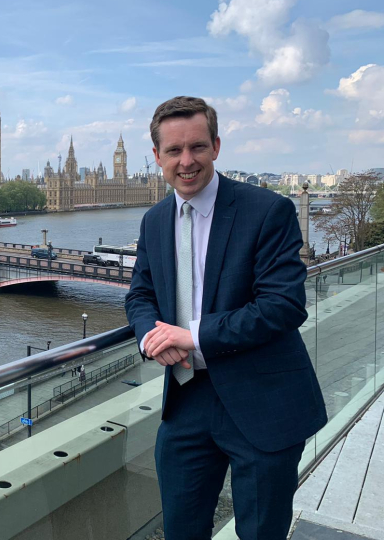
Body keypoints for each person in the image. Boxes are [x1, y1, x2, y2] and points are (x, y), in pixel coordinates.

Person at [125, 96, 326, 540]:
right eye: (174, 151)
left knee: (260, 532)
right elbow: (140, 295)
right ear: (157, 157)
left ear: (216, 146)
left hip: (263, 399)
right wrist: (150, 339)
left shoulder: (267, 210)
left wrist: (192, 335)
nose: (187, 161)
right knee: (181, 529)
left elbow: (283, 305)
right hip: (185, 400)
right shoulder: (154, 220)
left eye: (197, 147)